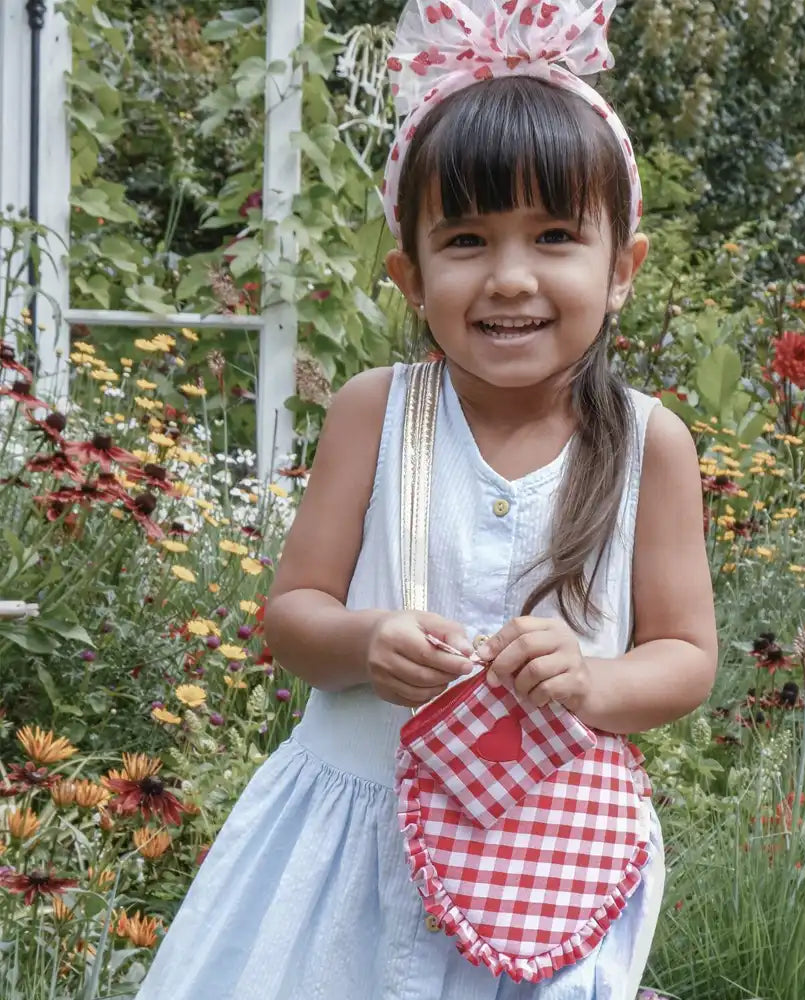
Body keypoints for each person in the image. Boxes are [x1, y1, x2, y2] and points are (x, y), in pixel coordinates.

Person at [134, 1, 717, 997]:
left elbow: (684, 657)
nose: (510, 277)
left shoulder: (646, 446)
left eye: (554, 234)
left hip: (542, 855)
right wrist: (364, 642)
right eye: (465, 241)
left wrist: (589, 679)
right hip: (343, 853)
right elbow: (293, 614)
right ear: (409, 273)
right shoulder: (378, 413)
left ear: (621, 270)